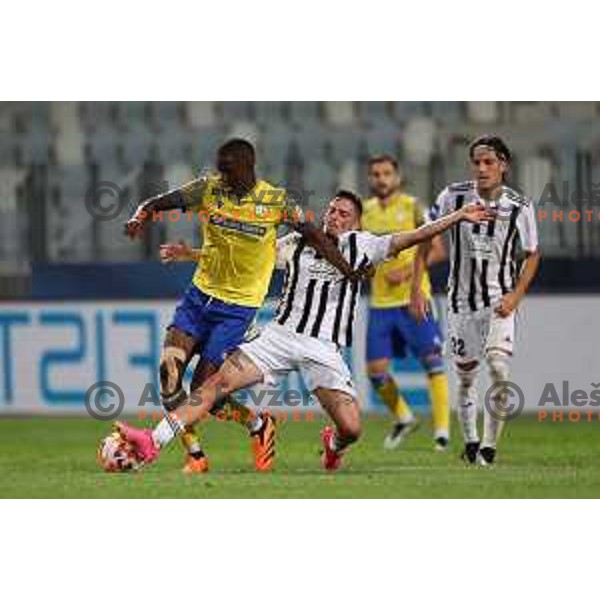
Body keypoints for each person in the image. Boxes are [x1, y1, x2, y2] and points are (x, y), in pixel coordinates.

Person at [115, 190, 491, 471]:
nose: (336, 216)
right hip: (278, 338)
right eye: (332, 209)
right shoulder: (295, 242)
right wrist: (190, 254)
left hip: (324, 349)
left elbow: (415, 235)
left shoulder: (365, 246)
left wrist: (458, 215)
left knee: (352, 428)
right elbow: (243, 258)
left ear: (356, 223)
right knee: (211, 388)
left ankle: (334, 444)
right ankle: (153, 441)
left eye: (345, 213)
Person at [125, 138, 363, 473]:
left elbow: (314, 235)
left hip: (236, 310)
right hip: (198, 298)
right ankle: (195, 455)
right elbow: (158, 201)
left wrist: (347, 270)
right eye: (220, 170)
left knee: (205, 392)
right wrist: (140, 216)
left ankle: (257, 424)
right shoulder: (208, 189)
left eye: (228, 171)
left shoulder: (275, 201)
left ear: (248, 168)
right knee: (168, 373)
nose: (222, 177)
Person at [411, 135, 540, 466]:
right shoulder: (452, 196)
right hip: (460, 303)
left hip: (499, 301)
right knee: (466, 376)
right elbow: (425, 235)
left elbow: (532, 254)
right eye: (477, 162)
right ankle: (470, 440)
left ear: (503, 165)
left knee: (498, 368)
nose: (482, 168)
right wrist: (416, 286)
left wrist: (516, 295)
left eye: (489, 162)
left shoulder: (520, 206)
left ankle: (488, 447)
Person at [362, 155, 450, 451]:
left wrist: (410, 271)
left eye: (387, 173)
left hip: (414, 299)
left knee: (432, 362)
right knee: (376, 371)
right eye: (376, 174)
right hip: (380, 303)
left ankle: (442, 433)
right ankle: (403, 417)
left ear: (397, 177)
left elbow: (438, 251)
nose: (381, 179)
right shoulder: (365, 211)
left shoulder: (413, 207)